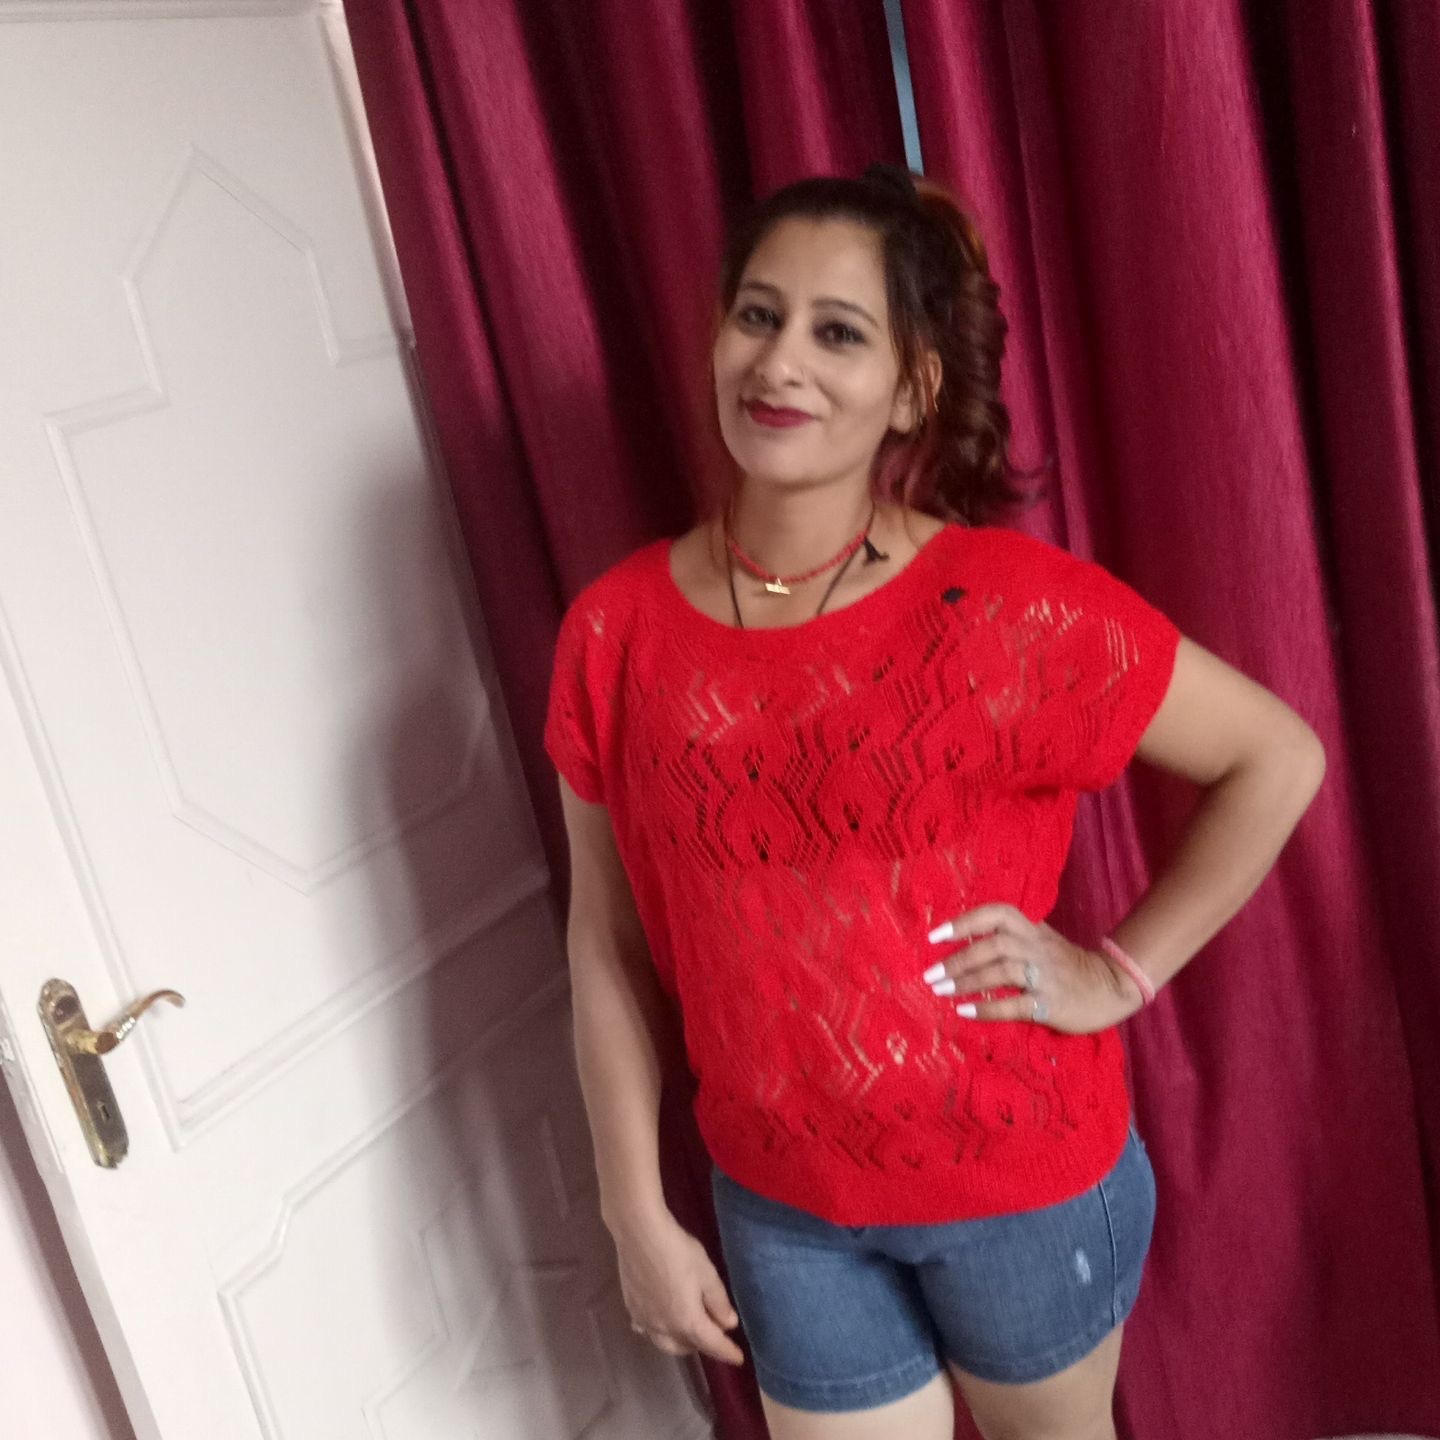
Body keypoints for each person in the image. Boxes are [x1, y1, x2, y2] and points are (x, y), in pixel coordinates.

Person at [543, 165, 1325, 1440]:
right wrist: (634, 1207)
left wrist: (1116, 974)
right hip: (784, 1207)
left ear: (912, 388)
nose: (780, 362)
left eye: (838, 333)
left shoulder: (1006, 609)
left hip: (1024, 1184)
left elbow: (1277, 759)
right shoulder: (613, 635)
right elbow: (606, 939)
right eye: (758, 315)